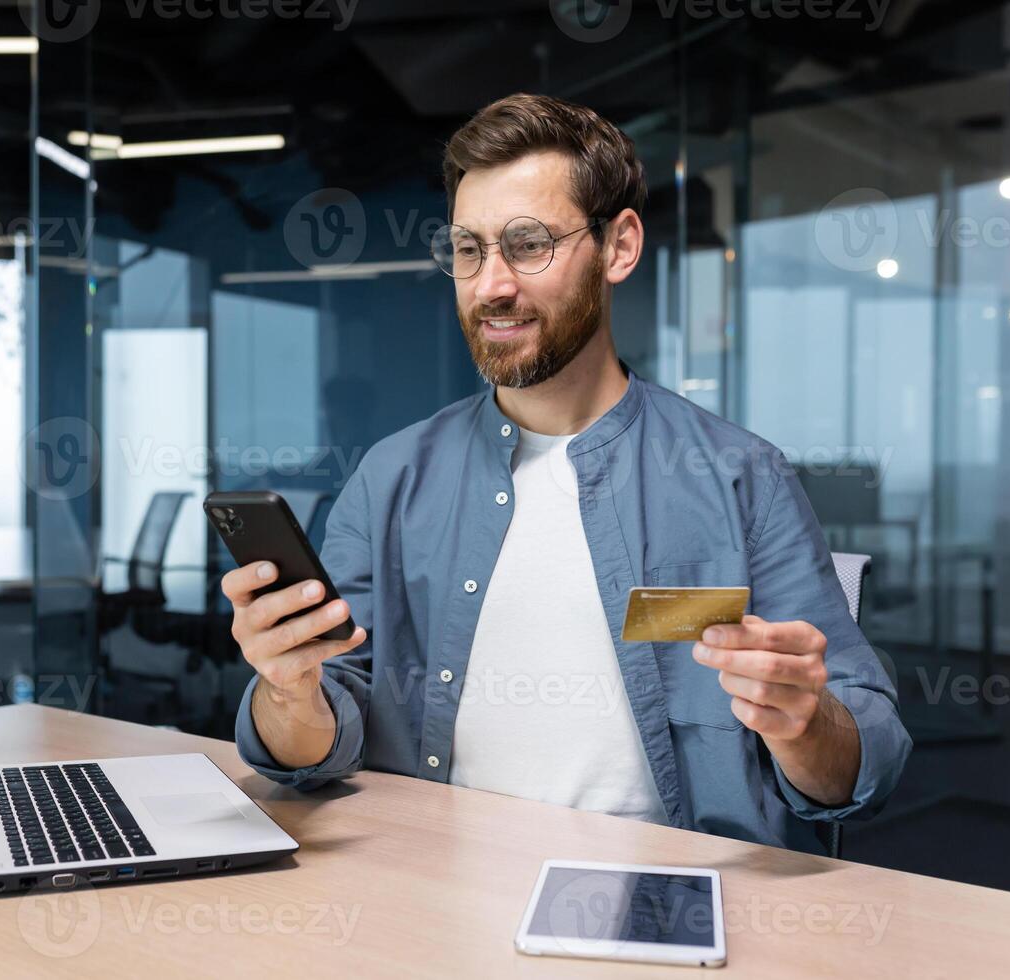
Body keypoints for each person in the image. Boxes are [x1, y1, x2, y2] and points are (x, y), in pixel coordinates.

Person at [221, 93, 910, 852]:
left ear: (619, 246)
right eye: (468, 249)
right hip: (428, 893)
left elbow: (861, 759)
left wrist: (804, 724)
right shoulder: (391, 479)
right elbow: (318, 739)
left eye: (527, 244)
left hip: (666, 906)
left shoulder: (740, 476)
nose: (491, 285)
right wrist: (290, 692)